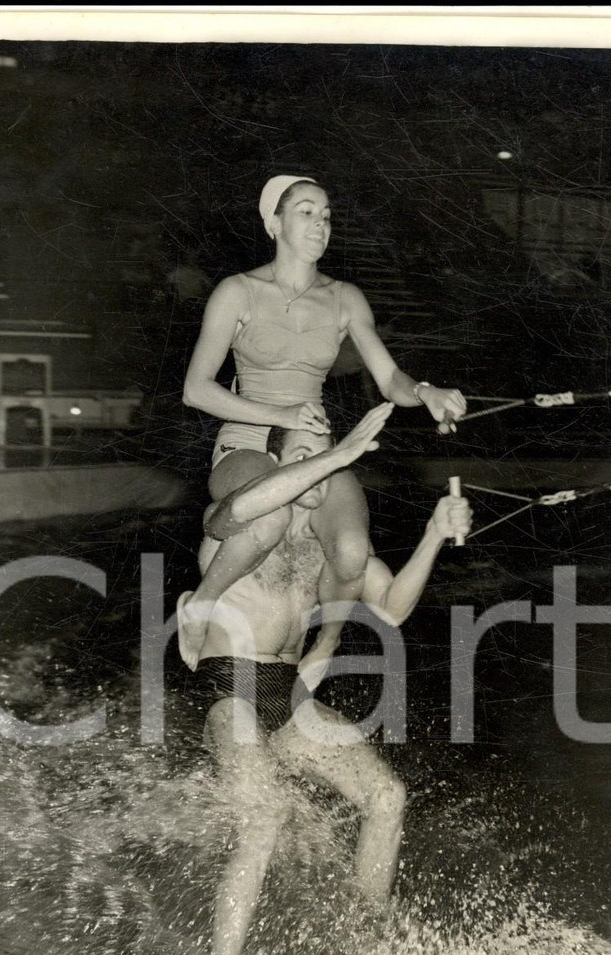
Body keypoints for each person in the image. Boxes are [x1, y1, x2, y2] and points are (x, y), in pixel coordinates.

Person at [185, 403, 471, 955]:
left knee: (387, 797)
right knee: (263, 819)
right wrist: (335, 454)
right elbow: (240, 507)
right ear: (275, 463)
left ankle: (364, 951)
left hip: (289, 696)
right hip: (229, 689)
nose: (318, 472)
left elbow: (389, 609)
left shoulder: (327, 544)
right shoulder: (240, 528)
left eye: (326, 461)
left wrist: (435, 534)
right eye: (302, 457)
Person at [178, 174, 468, 674]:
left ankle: (326, 644)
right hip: (248, 435)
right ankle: (199, 608)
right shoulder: (238, 291)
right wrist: (280, 414)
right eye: (306, 212)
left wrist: (425, 393)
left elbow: (390, 378)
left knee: (352, 552)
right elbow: (197, 389)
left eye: (327, 214)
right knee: (265, 519)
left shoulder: (345, 298)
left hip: (313, 443)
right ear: (274, 223)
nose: (320, 224)